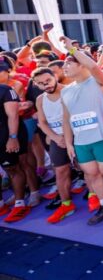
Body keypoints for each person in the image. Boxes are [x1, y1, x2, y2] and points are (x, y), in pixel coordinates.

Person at [59, 36, 103, 225]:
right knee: (91, 174)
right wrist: (69, 144)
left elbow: (94, 67)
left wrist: (72, 49)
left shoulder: (98, 81)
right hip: (82, 142)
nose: (64, 67)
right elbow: (66, 119)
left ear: (82, 65)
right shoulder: (65, 91)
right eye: (64, 64)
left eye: (69, 63)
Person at [32, 67, 76, 224]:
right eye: (41, 83)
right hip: (57, 139)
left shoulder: (70, 91)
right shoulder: (40, 99)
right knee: (61, 172)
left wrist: (68, 137)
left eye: (48, 80)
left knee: (88, 169)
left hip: (76, 135)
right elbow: (42, 123)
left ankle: (96, 197)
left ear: (55, 77)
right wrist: (55, 137)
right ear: (36, 85)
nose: (46, 85)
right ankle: (66, 205)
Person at [0, 57, 30, 222]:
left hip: (6, 135)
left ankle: (20, 204)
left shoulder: (5, 89)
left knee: (13, 168)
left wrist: (12, 137)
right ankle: (1, 204)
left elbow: (13, 116)